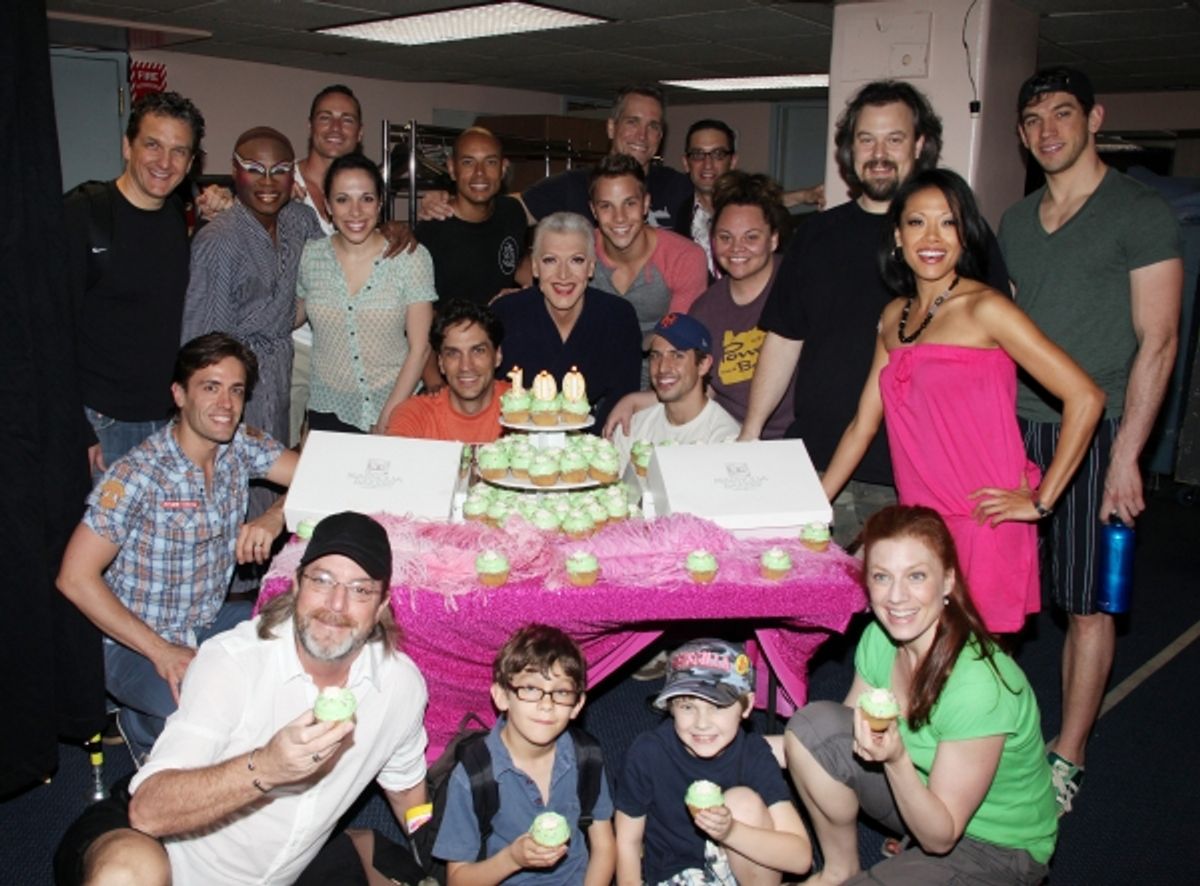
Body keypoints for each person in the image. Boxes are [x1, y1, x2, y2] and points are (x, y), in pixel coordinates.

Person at [57, 511, 429, 886]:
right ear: (296, 586)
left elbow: (407, 790)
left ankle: (355, 845)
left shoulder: (400, 687)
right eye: (322, 580)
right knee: (126, 874)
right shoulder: (233, 662)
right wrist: (267, 767)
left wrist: (436, 857)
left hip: (274, 871)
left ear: (381, 607)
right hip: (157, 844)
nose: (336, 604)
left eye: (360, 590)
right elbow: (147, 813)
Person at [999, 67, 1183, 813]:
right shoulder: (1015, 222)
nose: (1048, 131)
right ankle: (992, 731)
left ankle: (1069, 753)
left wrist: (1128, 456)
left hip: (1100, 431)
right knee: (999, 594)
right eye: (1033, 119)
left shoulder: (1139, 212)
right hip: (1017, 427)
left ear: (1094, 118)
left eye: (1063, 114)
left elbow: (1159, 340)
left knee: (1086, 603)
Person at [820, 168, 1104, 633]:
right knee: (919, 651)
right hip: (920, 521)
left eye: (948, 222)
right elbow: (862, 425)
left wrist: (1042, 501)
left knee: (977, 658)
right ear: (898, 236)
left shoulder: (986, 308)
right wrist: (815, 508)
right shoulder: (894, 316)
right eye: (917, 222)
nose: (932, 237)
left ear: (965, 235)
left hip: (983, 518)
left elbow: (1086, 396)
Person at [738, 80, 1010, 548]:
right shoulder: (817, 235)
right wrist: (751, 431)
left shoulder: (956, 236)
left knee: (909, 595)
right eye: (866, 139)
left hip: (919, 475)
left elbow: (995, 357)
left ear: (920, 145)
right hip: (821, 462)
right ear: (849, 148)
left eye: (894, 139)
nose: (879, 154)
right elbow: (784, 338)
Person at [56, 333, 299, 762]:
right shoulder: (138, 474)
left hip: (207, 621)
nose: (225, 404)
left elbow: (318, 473)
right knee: (210, 718)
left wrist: (274, 515)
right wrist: (161, 651)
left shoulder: (240, 446)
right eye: (210, 387)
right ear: (179, 394)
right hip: (135, 643)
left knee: (301, 637)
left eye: (236, 390)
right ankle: (143, 727)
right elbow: (74, 578)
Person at [784, 505, 1058, 884]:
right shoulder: (880, 638)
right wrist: (731, 748)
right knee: (811, 728)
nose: (896, 597)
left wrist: (896, 759)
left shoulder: (978, 687)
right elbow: (839, 741)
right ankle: (838, 871)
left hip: (994, 845)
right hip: (925, 791)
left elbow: (940, 838)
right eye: (882, 577)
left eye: (916, 576)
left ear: (947, 581)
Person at [64, 91, 205, 476]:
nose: (165, 162)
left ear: (191, 162)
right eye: (153, 145)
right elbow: (48, 329)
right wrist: (77, 428)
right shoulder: (83, 214)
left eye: (178, 151)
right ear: (128, 147)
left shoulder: (174, 213)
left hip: (166, 421)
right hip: (101, 425)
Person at [615, 639, 811, 885]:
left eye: (717, 706)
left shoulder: (753, 754)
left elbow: (800, 858)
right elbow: (627, 842)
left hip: (741, 870)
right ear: (671, 707)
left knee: (743, 801)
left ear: (747, 706)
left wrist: (731, 832)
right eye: (687, 706)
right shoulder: (647, 753)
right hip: (674, 876)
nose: (702, 723)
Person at [433, 624, 617, 884]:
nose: (546, 704)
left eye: (561, 692)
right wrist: (513, 859)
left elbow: (604, 846)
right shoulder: (473, 776)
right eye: (530, 688)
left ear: (577, 705)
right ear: (502, 696)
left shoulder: (587, 756)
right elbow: (458, 879)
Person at [182, 126, 323, 447]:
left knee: (273, 464)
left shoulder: (300, 220)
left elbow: (338, 264)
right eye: (255, 169)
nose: (268, 181)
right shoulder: (218, 240)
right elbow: (202, 342)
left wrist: (390, 232)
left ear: (293, 176)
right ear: (235, 171)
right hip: (231, 385)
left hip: (280, 372)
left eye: (280, 170)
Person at [418, 85, 694, 230]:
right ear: (611, 127)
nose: (642, 135)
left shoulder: (679, 188)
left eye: (653, 126)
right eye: (632, 122)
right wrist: (449, 202)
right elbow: (506, 209)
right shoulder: (571, 186)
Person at [296, 153, 436, 434]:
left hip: (399, 402)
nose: (356, 211)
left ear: (380, 203)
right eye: (342, 199)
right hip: (329, 406)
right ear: (328, 205)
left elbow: (420, 349)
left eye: (367, 199)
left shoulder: (410, 257)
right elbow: (290, 316)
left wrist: (389, 414)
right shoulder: (310, 257)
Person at [491, 212, 642, 429]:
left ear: (591, 267)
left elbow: (622, 402)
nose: (563, 275)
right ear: (535, 267)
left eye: (576, 260)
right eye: (550, 260)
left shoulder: (618, 317)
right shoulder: (506, 313)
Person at [415, 127, 528, 392]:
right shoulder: (432, 231)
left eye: (490, 162)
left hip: (499, 361)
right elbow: (420, 320)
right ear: (452, 169)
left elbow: (519, 264)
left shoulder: (512, 214)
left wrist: (528, 294)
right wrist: (434, 383)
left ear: (503, 168)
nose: (480, 173)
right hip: (451, 367)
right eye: (468, 162)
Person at [589, 153, 708, 351]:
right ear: (593, 211)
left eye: (630, 203)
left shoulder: (684, 257)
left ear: (645, 204)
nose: (620, 218)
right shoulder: (580, 251)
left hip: (660, 365)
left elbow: (678, 344)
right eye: (606, 206)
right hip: (587, 365)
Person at [611, 312, 740, 467]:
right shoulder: (633, 426)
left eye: (677, 356)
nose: (662, 367)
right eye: (656, 356)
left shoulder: (724, 440)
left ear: (703, 365)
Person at [387, 300, 509, 443]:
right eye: (453, 354)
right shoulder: (414, 415)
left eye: (478, 351)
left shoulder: (526, 407)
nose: (465, 366)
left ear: (497, 356)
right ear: (441, 362)